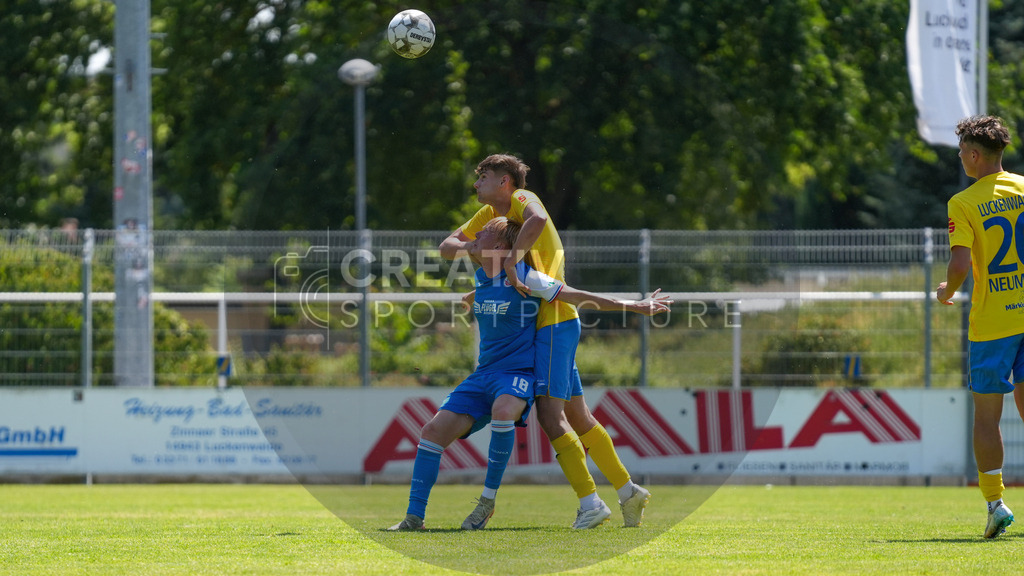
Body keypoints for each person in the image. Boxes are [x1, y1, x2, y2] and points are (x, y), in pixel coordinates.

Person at [391, 217, 672, 531]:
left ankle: (487, 501)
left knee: (510, 412)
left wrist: (635, 306)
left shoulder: (525, 278)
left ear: (500, 247)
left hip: (515, 375)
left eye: (486, 231)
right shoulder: (483, 271)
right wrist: (474, 295)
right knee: (431, 432)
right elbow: (449, 247)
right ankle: (413, 518)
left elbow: (576, 296)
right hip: (483, 374)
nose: (478, 232)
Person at [440, 154, 654, 529]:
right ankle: (627, 491)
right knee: (577, 416)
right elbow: (447, 246)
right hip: (550, 322)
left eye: (484, 177)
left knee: (551, 417)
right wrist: (479, 251)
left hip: (551, 324)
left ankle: (591, 503)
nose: (476, 185)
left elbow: (537, 221)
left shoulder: (523, 199)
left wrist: (509, 263)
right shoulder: (493, 217)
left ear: (506, 181)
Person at [936, 115, 1024, 539]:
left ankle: (996, 504)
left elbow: (959, 264)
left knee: (987, 417)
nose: (959, 158)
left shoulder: (964, 202)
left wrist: (945, 290)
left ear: (973, 155)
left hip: (994, 324)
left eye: (960, 152)